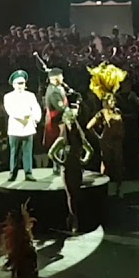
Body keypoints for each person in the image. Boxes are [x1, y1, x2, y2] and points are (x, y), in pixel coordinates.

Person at [50, 92, 90, 233]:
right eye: (69, 122)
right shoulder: (63, 139)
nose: (71, 125)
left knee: (76, 194)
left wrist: (83, 160)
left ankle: (72, 217)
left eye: (73, 122)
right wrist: (61, 162)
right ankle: (74, 220)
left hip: (77, 168)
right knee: (71, 195)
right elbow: (51, 153)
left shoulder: (79, 138)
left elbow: (89, 150)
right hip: (67, 169)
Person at [4, 70, 41, 183]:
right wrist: (24, 116)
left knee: (28, 152)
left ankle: (28, 173)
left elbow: (36, 108)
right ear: (13, 84)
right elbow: (10, 110)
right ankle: (13, 173)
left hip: (28, 128)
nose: (20, 85)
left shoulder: (30, 95)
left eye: (22, 83)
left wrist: (35, 118)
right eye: (18, 83)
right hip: (15, 128)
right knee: (14, 152)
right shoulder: (8, 96)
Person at [44, 69, 68, 176]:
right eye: (61, 76)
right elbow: (60, 107)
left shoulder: (58, 88)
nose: (62, 78)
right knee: (58, 145)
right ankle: (57, 167)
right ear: (55, 78)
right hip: (57, 122)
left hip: (60, 121)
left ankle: (59, 167)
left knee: (60, 145)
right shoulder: (53, 91)